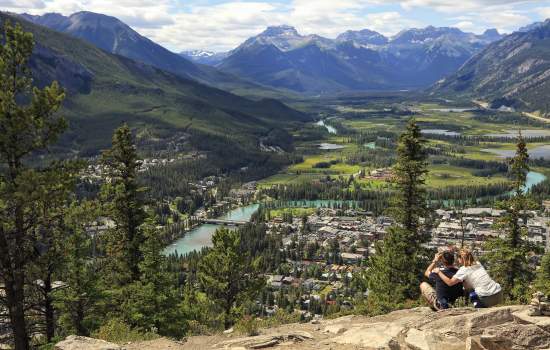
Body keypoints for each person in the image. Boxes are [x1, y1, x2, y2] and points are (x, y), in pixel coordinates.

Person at [435, 249, 502, 308]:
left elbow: (450, 282)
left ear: (461, 259)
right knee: (468, 284)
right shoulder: (478, 263)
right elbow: (469, 271)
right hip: (498, 294)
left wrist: (439, 272)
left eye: (458, 258)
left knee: (469, 290)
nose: (457, 261)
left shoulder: (463, 270)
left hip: (487, 298)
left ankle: (478, 307)